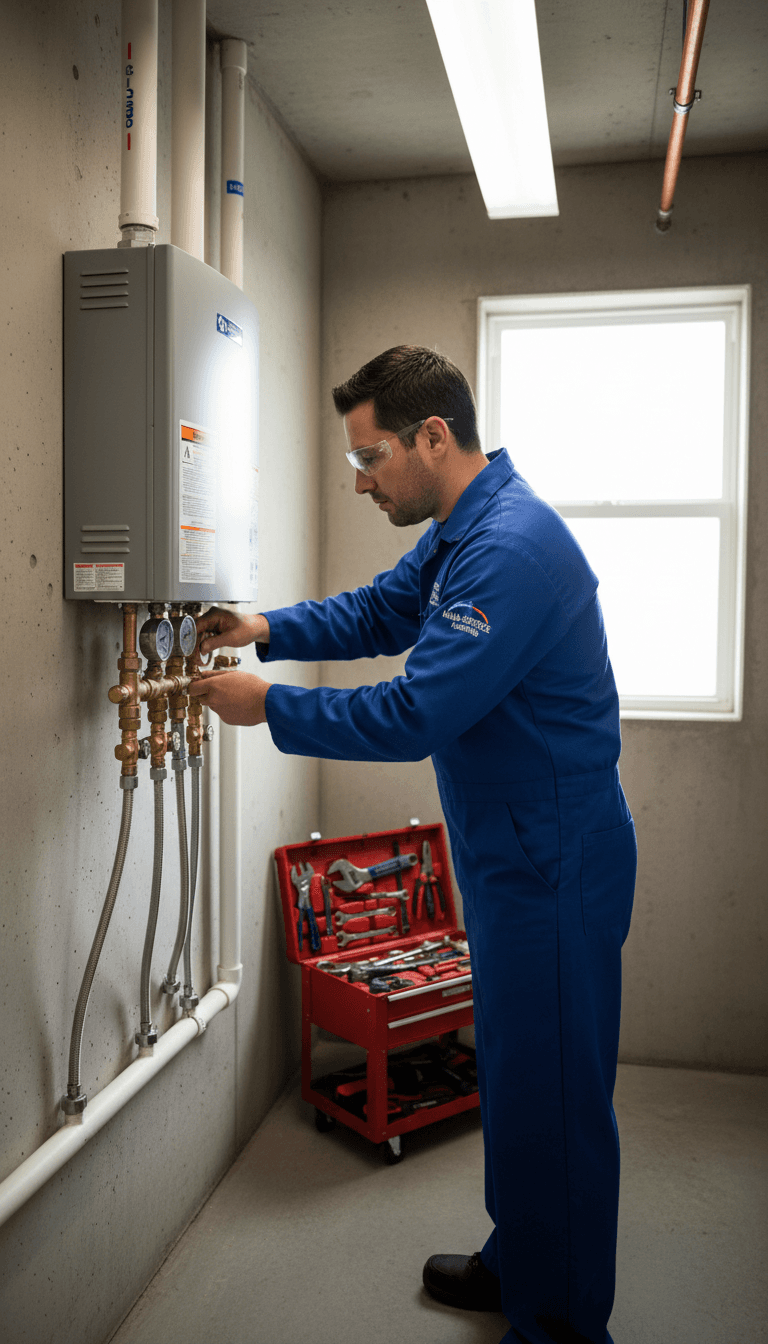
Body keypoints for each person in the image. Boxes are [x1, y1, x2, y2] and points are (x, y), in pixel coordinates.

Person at [190, 346, 637, 1344]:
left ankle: (561, 1325)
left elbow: (413, 712)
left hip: (554, 857)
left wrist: (270, 709)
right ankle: (519, 1259)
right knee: (517, 1077)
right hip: (511, 847)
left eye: (372, 456)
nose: (360, 480)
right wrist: (264, 626)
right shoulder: (461, 529)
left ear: (435, 437)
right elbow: (383, 611)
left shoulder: (510, 550)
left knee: (557, 1098)